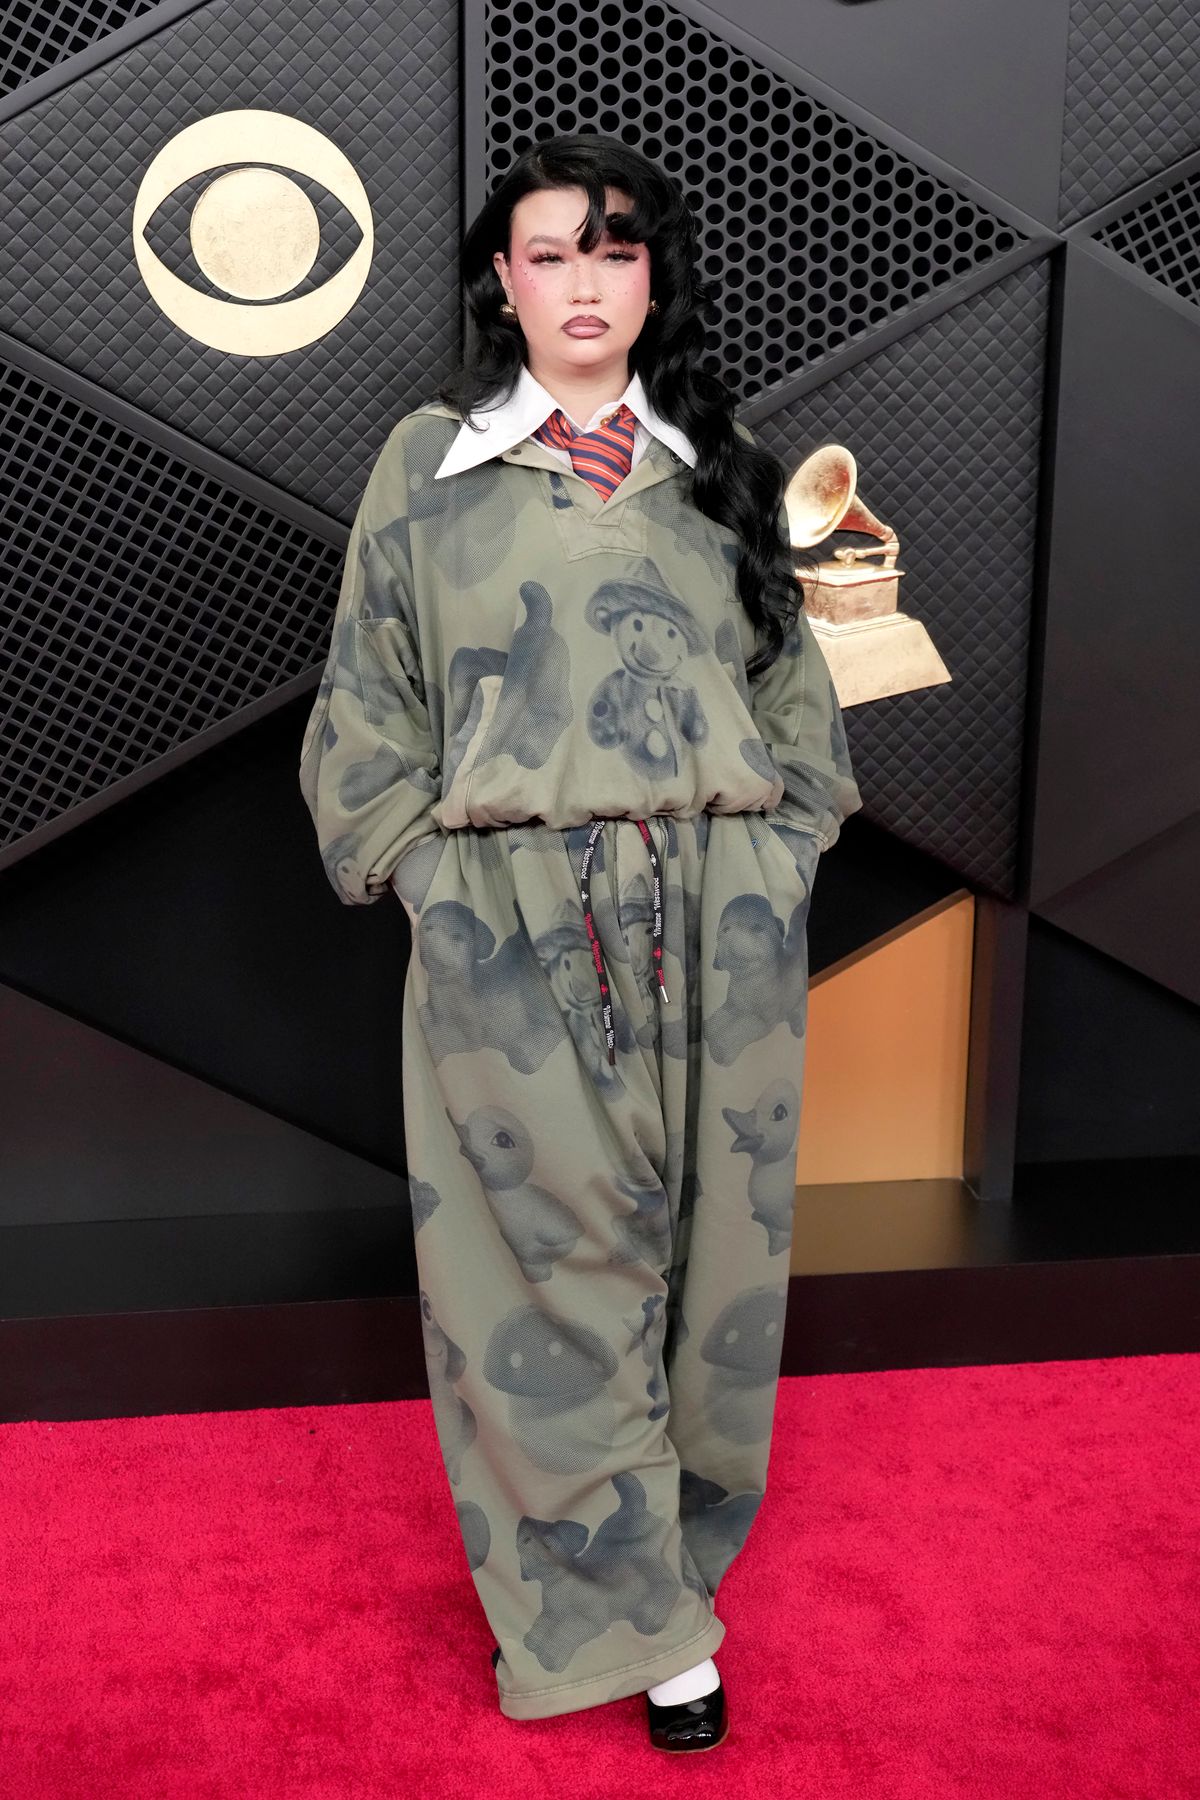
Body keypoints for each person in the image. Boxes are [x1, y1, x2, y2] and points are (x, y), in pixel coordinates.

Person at [299, 132, 862, 1749]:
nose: (585, 283)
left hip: (719, 920)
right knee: (545, 1273)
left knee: (711, 1266)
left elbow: (795, 701)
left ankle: (669, 1567)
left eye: (615, 253)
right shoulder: (430, 465)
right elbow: (367, 701)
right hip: (511, 927)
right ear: (504, 278)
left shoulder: (724, 459)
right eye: (551, 253)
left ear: (651, 278)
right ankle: (628, 1627)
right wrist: (428, 881)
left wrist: (782, 854)